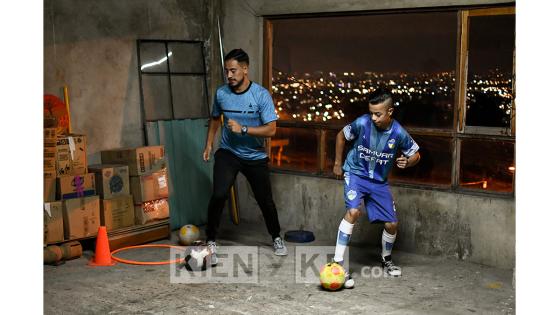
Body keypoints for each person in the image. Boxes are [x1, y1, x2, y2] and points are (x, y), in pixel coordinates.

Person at [203, 48, 287, 266]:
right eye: (226, 71)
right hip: (228, 152)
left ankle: (276, 237)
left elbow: (271, 130)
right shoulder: (221, 93)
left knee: (265, 200)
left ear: (245, 69)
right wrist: (209, 143)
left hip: (254, 155)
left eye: (233, 71)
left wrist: (244, 130)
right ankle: (210, 239)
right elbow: (214, 119)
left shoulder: (260, 95)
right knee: (219, 194)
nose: (229, 75)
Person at [332, 87, 420, 288]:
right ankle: (337, 263)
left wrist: (409, 162)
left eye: (378, 114)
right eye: (371, 112)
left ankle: (386, 259)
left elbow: (416, 154)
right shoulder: (362, 122)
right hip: (355, 174)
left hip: (378, 182)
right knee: (353, 212)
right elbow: (340, 136)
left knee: (392, 225)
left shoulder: (398, 133)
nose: (373, 118)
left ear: (390, 112)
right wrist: (337, 164)